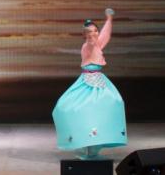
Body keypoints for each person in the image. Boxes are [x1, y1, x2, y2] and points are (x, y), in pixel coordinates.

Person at [52, 8, 127, 159]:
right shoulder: (88, 45)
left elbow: (105, 35)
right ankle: (84, 145)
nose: (93, 34)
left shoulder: (97, 43)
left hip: (99, 80)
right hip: (87, 81)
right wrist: (92, 34)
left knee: (114, 102)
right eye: (89, 32)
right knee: (77, 108)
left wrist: (109, 19)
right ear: (84, 35)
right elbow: (94, 42)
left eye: (95, 31)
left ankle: (95, 146)